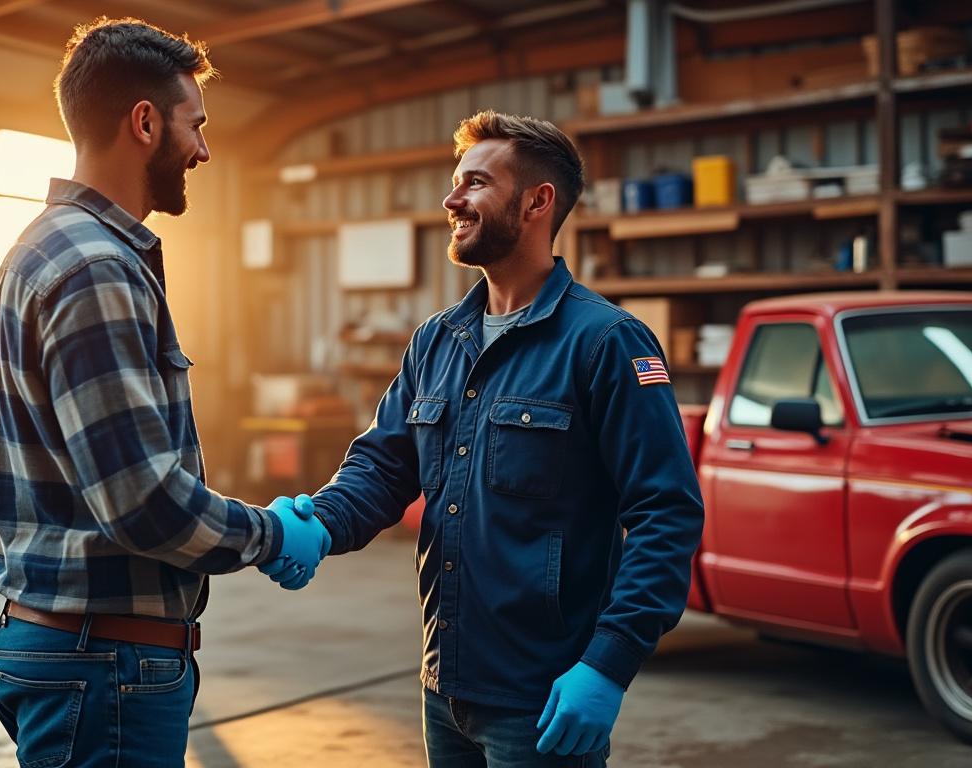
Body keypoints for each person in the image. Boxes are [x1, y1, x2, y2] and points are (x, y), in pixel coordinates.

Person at [269, 111, 704, 766]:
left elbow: (666, 513)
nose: (452, 200)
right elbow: (384, 466)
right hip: (444, 685)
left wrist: (608, 665)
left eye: (475, 182)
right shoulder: (438, 339)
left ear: (536, 202)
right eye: (456, 183)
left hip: (544, 698)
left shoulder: (606, 342)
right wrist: (321, 523)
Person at [0, 18, 329, 768]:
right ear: (144, 123)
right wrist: (271, 533)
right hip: (105, 660)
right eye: (194, 124)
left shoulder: (38, 249)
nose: (203, 150)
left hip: (65, 645)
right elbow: (142, 503)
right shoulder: (96, 268)